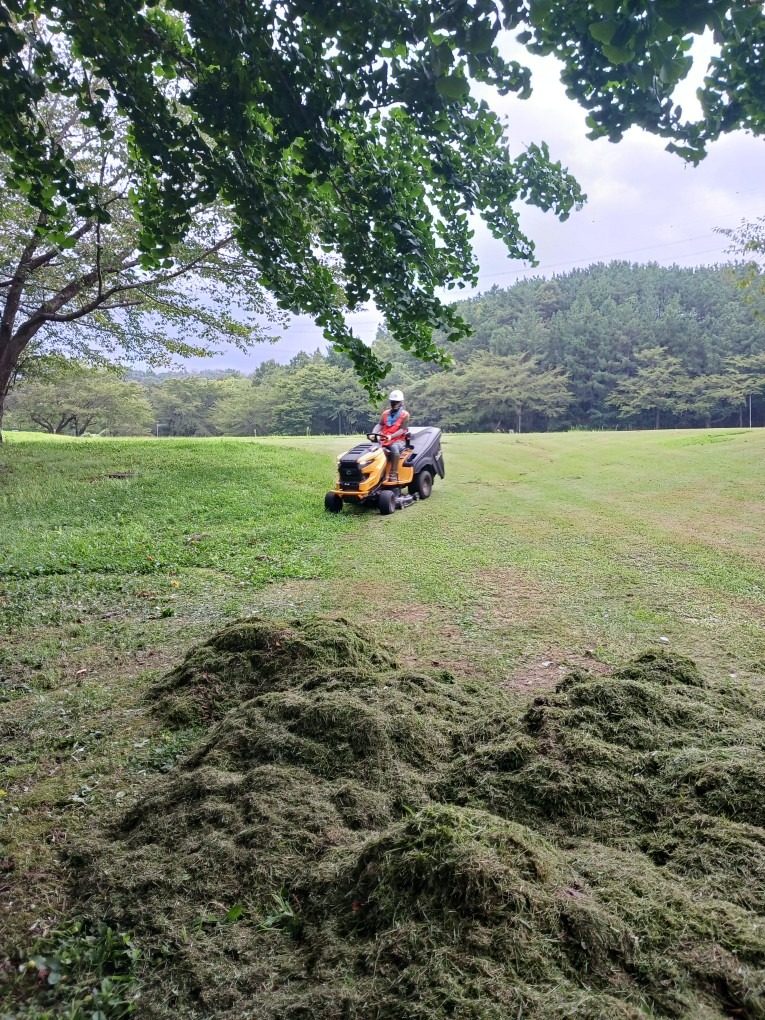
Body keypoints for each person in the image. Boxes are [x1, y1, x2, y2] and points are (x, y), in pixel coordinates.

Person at [377, 388, 410, 482]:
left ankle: (393, 474)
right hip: (385, 439)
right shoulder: (385, 413)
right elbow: (380, 424)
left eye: (396, 402)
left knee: (394, 449)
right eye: (392, 402)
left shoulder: (405, 415)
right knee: (374, 450)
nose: (394, 404)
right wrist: (374, 434)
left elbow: (402, 430)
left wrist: (391, 436)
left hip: (399, 440)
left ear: (401, 402)